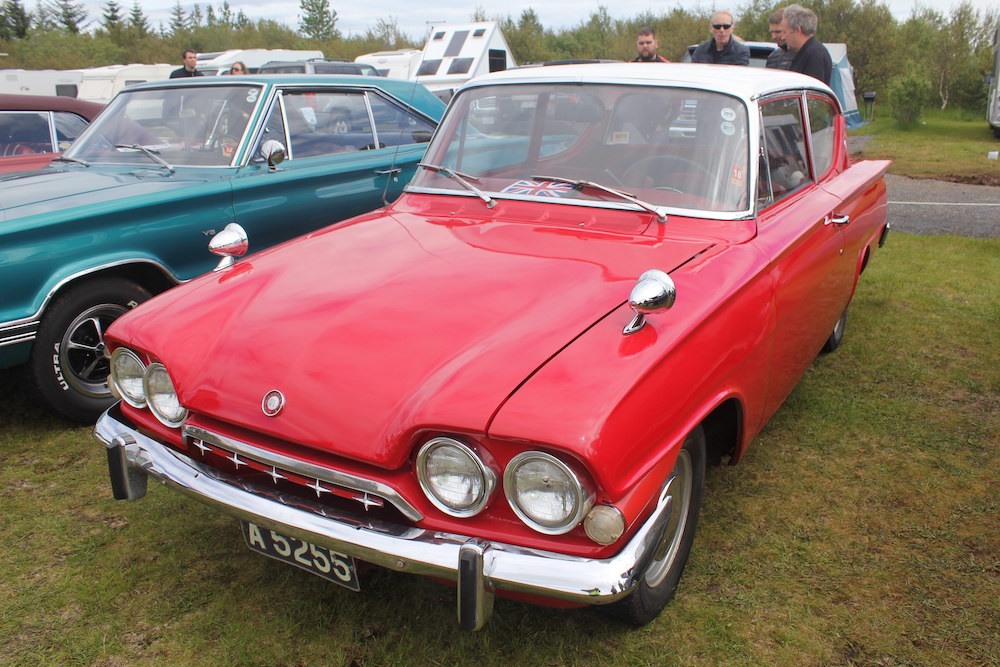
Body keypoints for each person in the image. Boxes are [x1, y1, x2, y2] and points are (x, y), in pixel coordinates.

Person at [781, 4, 833, 84]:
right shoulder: (808, 52)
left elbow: (812, 89)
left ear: (798, 30)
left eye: (785, 32)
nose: (783, 37)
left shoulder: (814, 54)